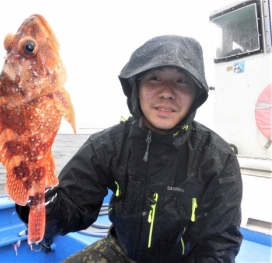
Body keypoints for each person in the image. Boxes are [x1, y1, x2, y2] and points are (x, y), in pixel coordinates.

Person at [16, 35, 243, 263]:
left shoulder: (217, 158)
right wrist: (33, 190)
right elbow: (68, 210)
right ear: (136, 86)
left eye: (182, 81)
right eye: (155, 78)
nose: (167, 92)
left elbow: (219, 243)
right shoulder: (108, 145)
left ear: (197, 93)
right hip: (120, 251)